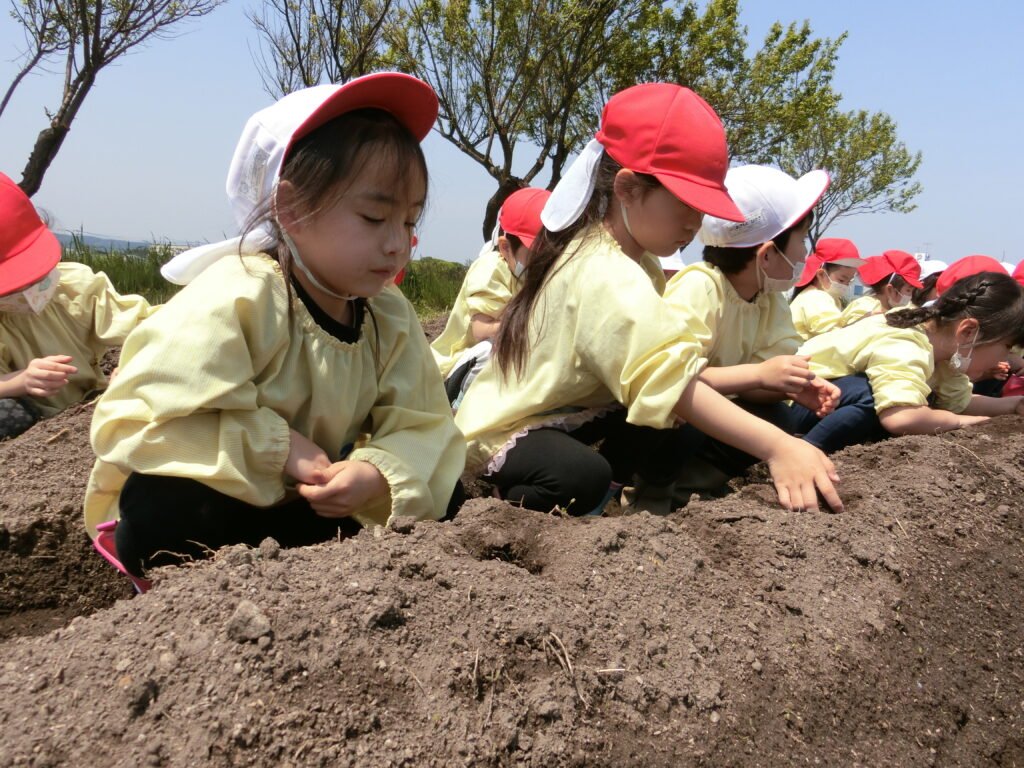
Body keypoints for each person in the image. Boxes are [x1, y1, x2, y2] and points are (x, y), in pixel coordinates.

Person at [85, 73, 466, 584]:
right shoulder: (242, 293)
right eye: (375, 218)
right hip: (228, 501)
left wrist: (375, 474)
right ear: (293, 208)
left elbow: (425, 425)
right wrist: (280, 447)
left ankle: (315, 582)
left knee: (451, 495)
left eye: (410, 222)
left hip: (308, 505)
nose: (398, 244)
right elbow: (137, 419)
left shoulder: (387, 314)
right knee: (164, 508)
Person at [454, 83, 843, 517]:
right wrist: (780, 448)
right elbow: (672, 382)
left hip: (572, 412)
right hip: (506, 427)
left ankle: (612, 495)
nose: (696, 225)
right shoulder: (601, 269)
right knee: (581, 478)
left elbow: (667, 377)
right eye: (685, 206)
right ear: (627, 189)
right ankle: (505, 510)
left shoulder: (640, 264)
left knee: (670, 418)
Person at [660, 164, 840, 482]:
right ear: (767, 255)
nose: (804, 255)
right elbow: (668, 381)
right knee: (681, 429)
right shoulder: (700, 287)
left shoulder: (770, 299)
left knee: (779, 416)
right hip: (669, 419)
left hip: (711, 417)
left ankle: (700, 488)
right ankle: (654, 494)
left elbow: (753, 387)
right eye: (801, 241)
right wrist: (759, 374)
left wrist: (787, 386)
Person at [790, 271, 1024, 451]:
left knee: (923, 402)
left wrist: (1014, 405)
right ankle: (807, 450)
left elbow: (960, 403)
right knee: (875, 395)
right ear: (968, 332)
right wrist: (975, 423)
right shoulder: (906, 344)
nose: (1005, 357)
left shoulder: (947, 354)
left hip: (821, 408)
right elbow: (902, 418)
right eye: (1006, 347)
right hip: (795, 405)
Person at [0, 173, 157, 440]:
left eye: (36, 276)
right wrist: (22, 379)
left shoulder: (74, 287)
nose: (28, 291)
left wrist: (135, 362)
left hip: (91, 401)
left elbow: (145, 323)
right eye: (13, 287)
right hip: (32, 418)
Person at [430, 187, 550, 406]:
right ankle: (458, 407)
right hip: (459, 363)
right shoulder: (491, 269)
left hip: (503, 363)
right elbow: (481, 331)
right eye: (536, 255)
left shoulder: (536, 275)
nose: (543, 263)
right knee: (492, 348)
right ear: (505, 248)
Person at [789, 238, 865, 340]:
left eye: (849, 282)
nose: (845, 286)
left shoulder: (828, 298)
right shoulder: (815, 298)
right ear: (821, 274)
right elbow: (835, 337)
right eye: (842, 280)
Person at [840, 250, 923, 324]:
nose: (910, 296)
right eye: (908, 290)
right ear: (890, 289)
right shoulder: (865, 306)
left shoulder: (899, 310)